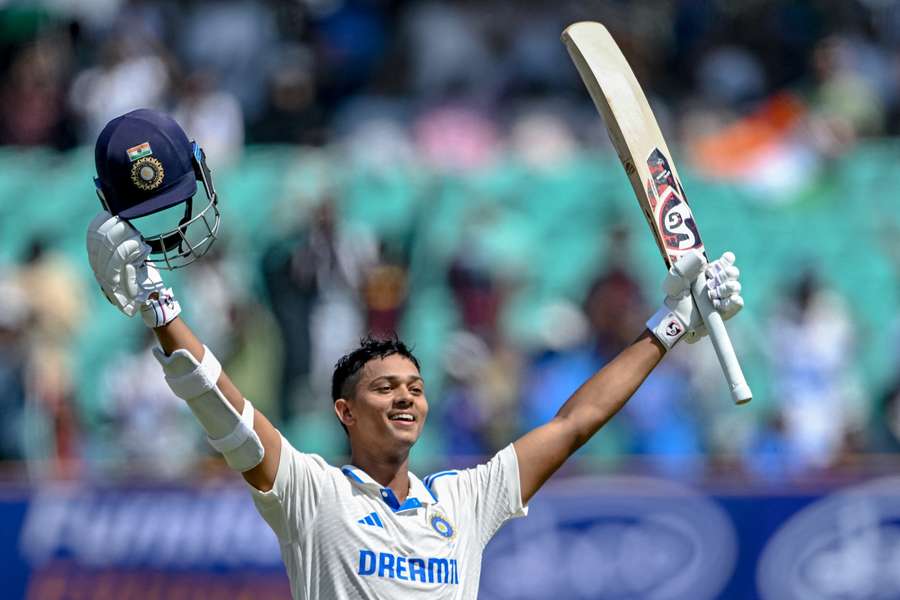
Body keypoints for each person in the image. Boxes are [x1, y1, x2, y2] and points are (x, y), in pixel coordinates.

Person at [85, 109, 744, 599]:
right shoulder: (313, 495)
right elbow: (223, 411)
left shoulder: (463, 501)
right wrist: (163, 315)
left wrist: (671, 322)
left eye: (414, 387)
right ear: (343, 411)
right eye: (385, 388)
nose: (406, 396)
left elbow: (574, 424)